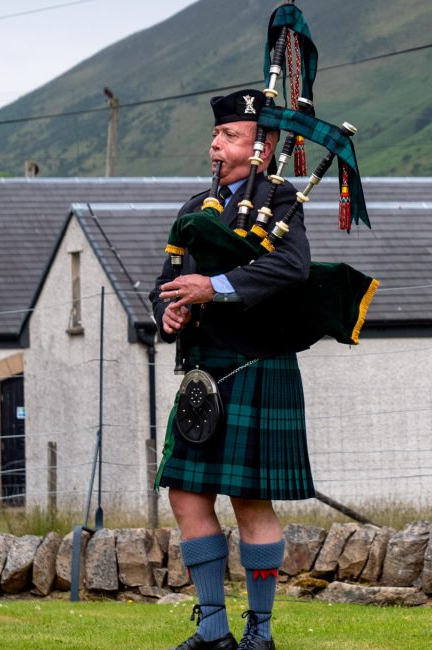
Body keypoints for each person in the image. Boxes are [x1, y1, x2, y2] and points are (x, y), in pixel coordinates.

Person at [150, 89, 314, 650]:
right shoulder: (195, 206)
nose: (217, 145)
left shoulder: (282, 202)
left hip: (257, 363)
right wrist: (167, 310)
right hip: (204, 367)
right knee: (186, 495)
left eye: (231, 137)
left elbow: (292, 268)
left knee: (249, 500)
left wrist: (215, 288)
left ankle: (260, 633)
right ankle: (213, 628)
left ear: (261, 149)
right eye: (217, 136)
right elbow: (167, 279)